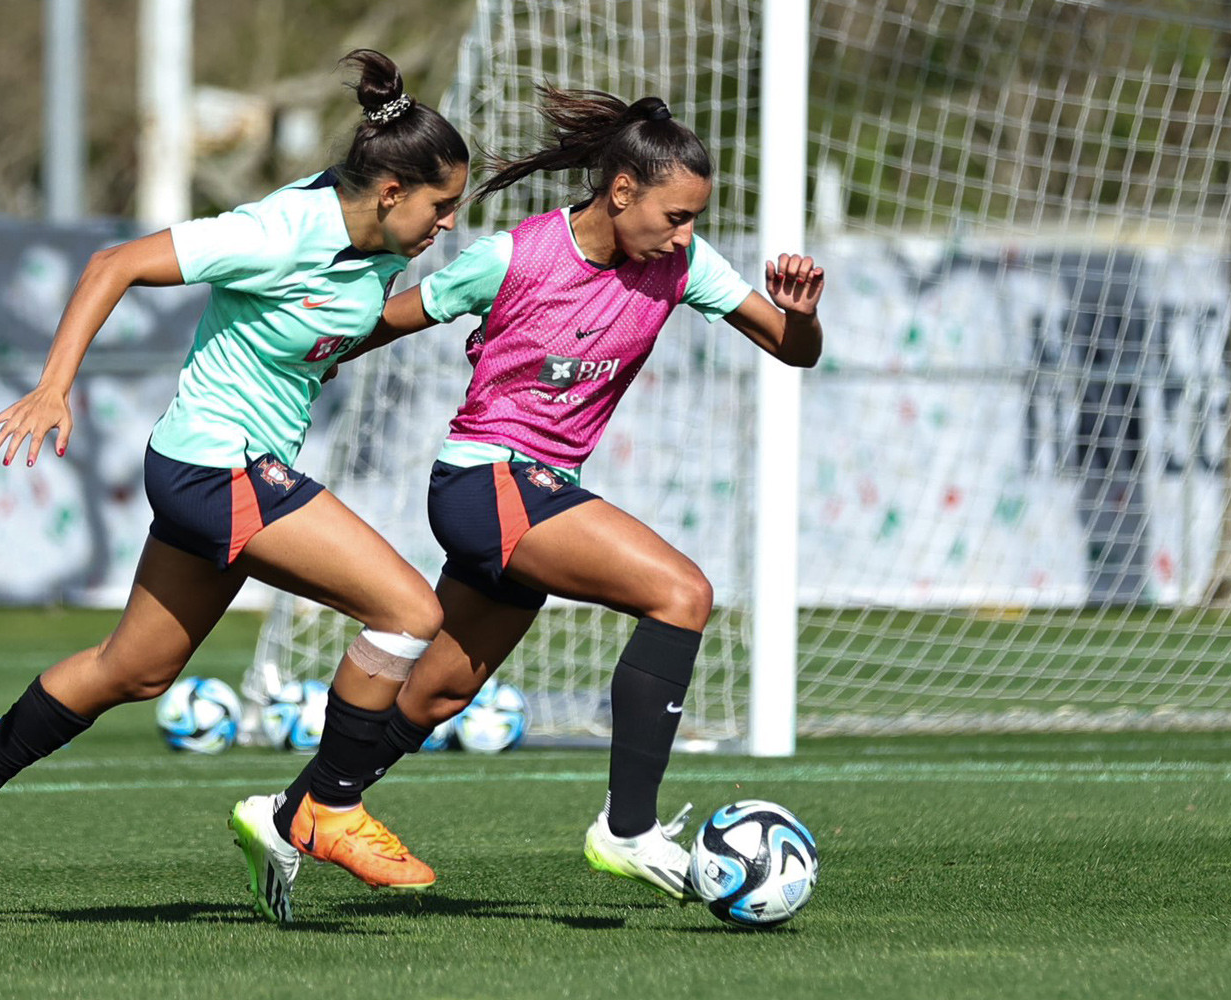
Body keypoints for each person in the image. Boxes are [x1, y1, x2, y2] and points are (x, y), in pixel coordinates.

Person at [231, 86, 824, 922]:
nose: (685, 234)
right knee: (681, 593)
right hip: (485, 481)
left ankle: (288, 815)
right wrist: (283, 363)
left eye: (695, 218)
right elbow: (386, 320)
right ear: (622, 191)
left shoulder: (684, 265)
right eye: (676, 215)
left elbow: (793, 350)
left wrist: (802, 317)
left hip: (539, 490)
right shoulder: (514, 256)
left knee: (433, 699)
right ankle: (628, 828)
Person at [0, 49, 469, 923]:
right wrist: (54, 386)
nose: (448, 224)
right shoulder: (277, 233)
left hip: (219, 469)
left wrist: (450, 308)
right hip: (219, 466)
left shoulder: (381, 241)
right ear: (392, 192)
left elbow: (334, 330)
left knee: (133, 670)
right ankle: (324, 807)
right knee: (408, 613)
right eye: (441, 206)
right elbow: (113, 263)